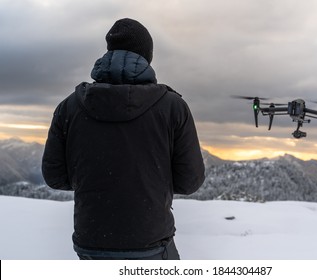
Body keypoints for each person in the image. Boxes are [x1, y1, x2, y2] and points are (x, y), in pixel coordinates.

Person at [42, 18, 205, 260]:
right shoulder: (172, 107)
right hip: (151, 244)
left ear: (109, 51)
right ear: (147, 57)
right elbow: (190, 181)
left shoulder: (70, 106)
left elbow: (55, 177)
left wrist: (95, 180)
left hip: (91, 244)